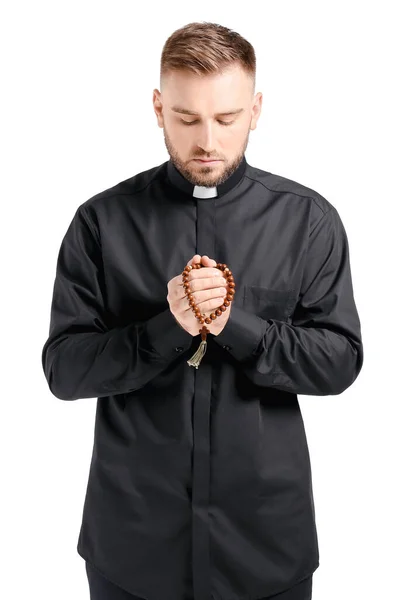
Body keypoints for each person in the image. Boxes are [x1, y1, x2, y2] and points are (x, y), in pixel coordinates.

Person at [41, 21, 363, 600]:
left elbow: (339, 361)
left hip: (266, 545)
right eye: (186, 119)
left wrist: (234, 325)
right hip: (132, 548)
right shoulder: (100, 223)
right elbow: (64, 370)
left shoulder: (309, 222)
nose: (207, 141)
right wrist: (170, 328)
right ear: (158, 108)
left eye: (227, 118)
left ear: (257, 109)